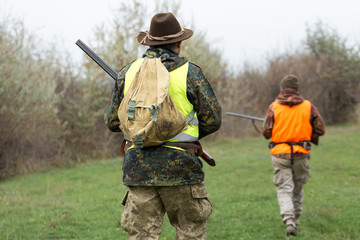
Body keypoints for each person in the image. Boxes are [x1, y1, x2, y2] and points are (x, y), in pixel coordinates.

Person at [104, 12, 222, 239]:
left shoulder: (127, 73)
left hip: (138, 169)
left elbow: (112, 122)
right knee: (190, 234)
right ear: (178, 43)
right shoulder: (190, 72)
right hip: (181, 168)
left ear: (149, 42)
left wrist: (141, 126)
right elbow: (213, 120)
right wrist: (186, 134)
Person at [262, 74, 325, 236]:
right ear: (297, 89)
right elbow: (320, 130)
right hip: (301, 154)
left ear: (282, 88)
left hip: (279, 154)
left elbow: (266, 133)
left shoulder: (274, 106)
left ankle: (289, 221)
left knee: (284, 188)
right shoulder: (308, 106)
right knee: (297, 189)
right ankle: (295, 220)